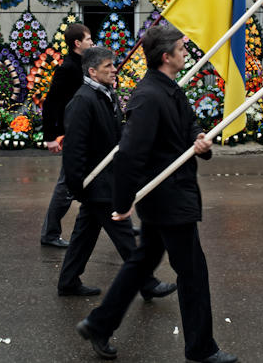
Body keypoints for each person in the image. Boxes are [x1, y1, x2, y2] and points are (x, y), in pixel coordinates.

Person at [76, 25, 237, 363]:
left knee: (142, 262)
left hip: (172, 196)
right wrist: (121, 204)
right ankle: (200, 348)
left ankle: (99, 324)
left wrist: (200, 140)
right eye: (181, 48)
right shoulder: (148, 97)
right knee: (193, 272)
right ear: (166, 56)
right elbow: (130, 154)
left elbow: (188, 127)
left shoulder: (168, 89)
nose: (186, 53)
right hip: (168, 200)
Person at [57, 46, 176, 301]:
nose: (114, 70)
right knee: (124, 234)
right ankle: (147, 283)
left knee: (84, 235)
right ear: (92, 71)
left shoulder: (103, 95)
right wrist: (77, 185)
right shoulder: (83, 100)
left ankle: (68, 281)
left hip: (106, 178)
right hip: (97, 184)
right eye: (108, 66)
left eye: (113, 65)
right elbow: (74, 149)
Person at [39, 23, 93, 247]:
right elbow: (51, 103)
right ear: (77, 43)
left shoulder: (87, 64)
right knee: (66, 186)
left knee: (103, 180)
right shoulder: (68, 68)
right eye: (88, 39)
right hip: (74, 134)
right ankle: (50, 233)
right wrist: (50, 136)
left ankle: (121, 222)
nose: (92, 42)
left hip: (88, 132)